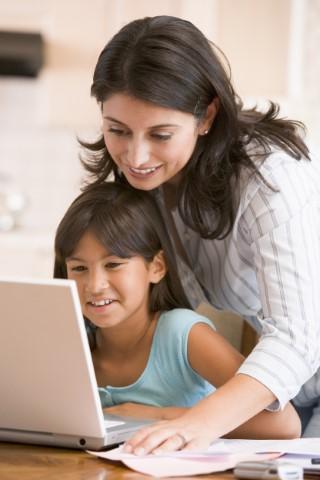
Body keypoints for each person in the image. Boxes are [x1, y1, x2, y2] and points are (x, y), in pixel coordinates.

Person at [79, 15, 320, 453]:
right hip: (284, 391)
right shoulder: (147, 184)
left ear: (206, 115)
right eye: (117, 130)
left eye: (160, 134)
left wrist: (196, 424)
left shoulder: (272, 177)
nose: (135, 156)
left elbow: (297, 338)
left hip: (297, 370)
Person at [54, 182, 300, 441]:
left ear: (157, 267)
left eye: (114, 264)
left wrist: (155, 416)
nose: (94, 286)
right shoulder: (70, 340)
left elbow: (283, 425)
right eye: (79, 269)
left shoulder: (182, 334)